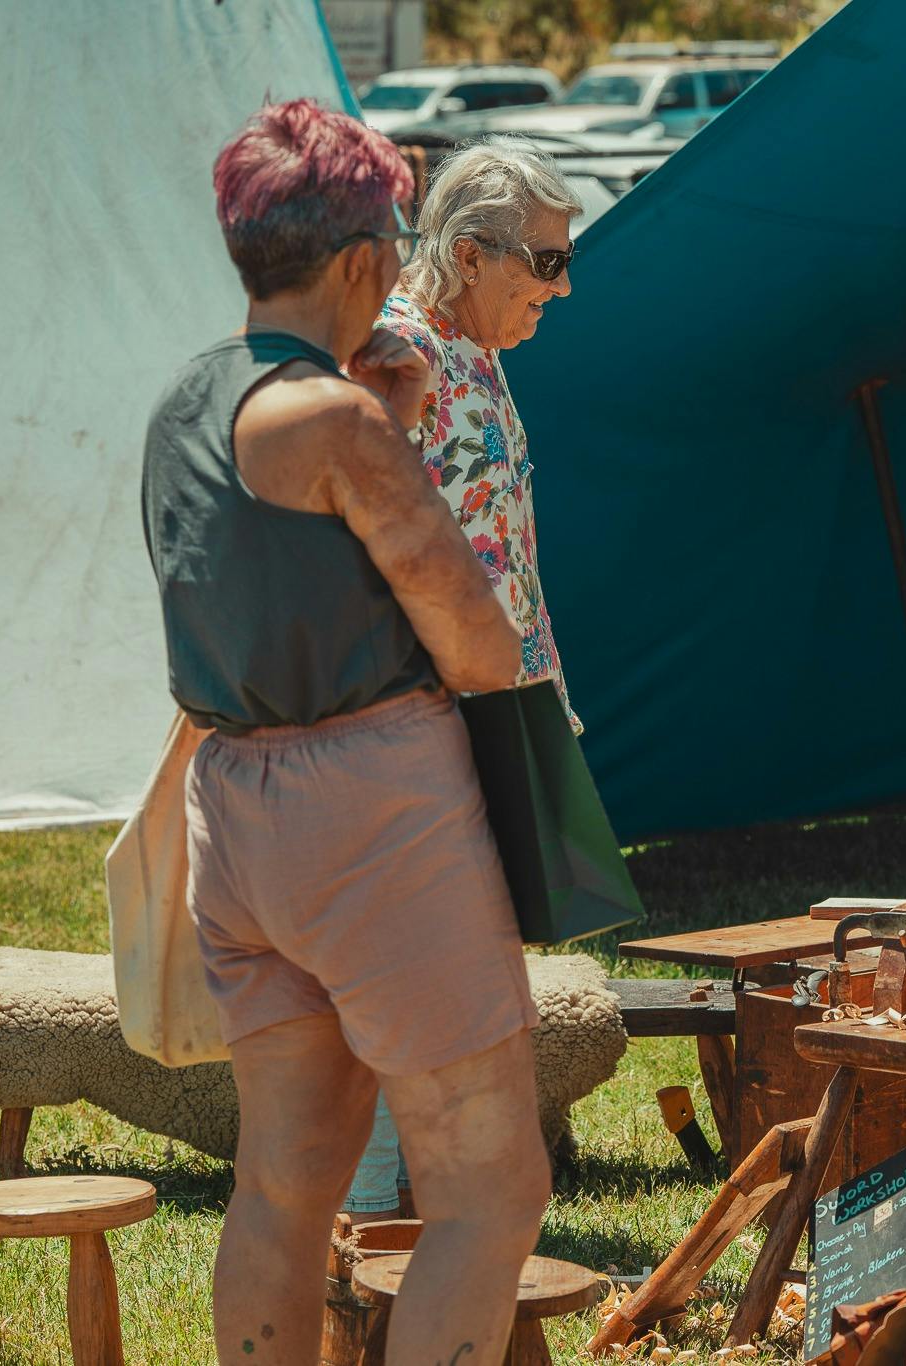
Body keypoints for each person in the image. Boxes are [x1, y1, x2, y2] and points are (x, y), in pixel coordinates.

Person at [141, 100, 551, 1365]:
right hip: (374, 816)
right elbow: (479, 642)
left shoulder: (181, 404)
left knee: (287, 1172)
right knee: (491, 1186)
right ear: (369, 259)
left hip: (236, 815)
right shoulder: (337, 423)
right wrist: (389, 428)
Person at [338, 136, 584, 1220]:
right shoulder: (398, 354)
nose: (560, 286)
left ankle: (430, 1207)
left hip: (495, 706)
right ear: (471, 252)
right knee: (422, 974)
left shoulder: (476, 352)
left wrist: (545, 693)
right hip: (424, 716)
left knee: (470, 965)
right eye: (544, 260)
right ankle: (381, 1215)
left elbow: (503, 548)